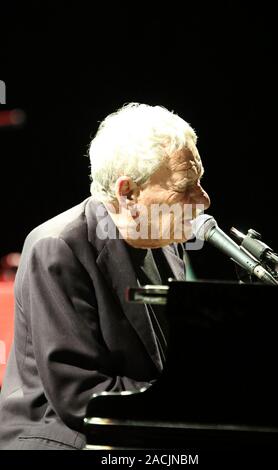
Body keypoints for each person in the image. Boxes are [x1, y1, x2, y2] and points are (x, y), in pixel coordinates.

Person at [0, 103, 210, 449]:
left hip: (136, 422)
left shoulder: (165, 240)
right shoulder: (58, 246)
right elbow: (78, 395)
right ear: (128, 193)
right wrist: (183, 408)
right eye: (185, 186)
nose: (203, 199)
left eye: (199, 181)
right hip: (64, 436)